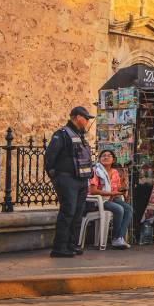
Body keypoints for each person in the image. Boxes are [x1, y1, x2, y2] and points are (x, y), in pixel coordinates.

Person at [43, 106, 96, 257]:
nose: (87, 121)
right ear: (77, 117)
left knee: (78, 213)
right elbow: (50, 156)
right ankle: (59, 247)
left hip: (80, 180)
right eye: (86, 118)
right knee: (68, 212)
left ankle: (71, 245)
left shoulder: (80, 135)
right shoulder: (62, 134)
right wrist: (55, 176)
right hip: (67, 179)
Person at [87, 149, 134, 249]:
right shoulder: (95, 171)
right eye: (103, 155)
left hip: (111, 198)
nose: (106, 157)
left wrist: (122, 191)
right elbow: (93, 191)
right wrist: (112, 193)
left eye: (109, 156)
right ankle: (116, 238)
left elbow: (116, 189)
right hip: (99, 200)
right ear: (99, 159)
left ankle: (119, 237)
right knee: (119, 209)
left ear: (113, 160)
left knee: (128, 209)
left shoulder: (115, 172)